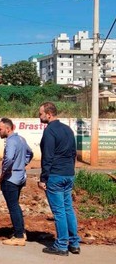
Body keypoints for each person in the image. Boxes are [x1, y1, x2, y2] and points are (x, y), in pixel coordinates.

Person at [37, 102, 80, 256]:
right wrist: (70, 170)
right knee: (68, 209)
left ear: (49, 114)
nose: (39, 116)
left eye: (41, 114)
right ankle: (74, 243)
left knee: (59, 212)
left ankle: (61, 245)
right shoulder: (68, 130)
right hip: (68, 174)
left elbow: (47, 157)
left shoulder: (50, 131)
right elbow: (73, 153)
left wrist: (43, 178)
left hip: (55, 175)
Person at [0, 117, 33, 246]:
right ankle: (21, 231)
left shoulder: (11, 142)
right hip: (20, 177)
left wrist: (4, 172)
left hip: (11, 178)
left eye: (0, 129)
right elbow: (30, 153)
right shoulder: (21, 139)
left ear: (8, 128)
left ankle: (18, 236)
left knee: (13, 207)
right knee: (15, 205)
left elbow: (9, 158)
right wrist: (23, 164)